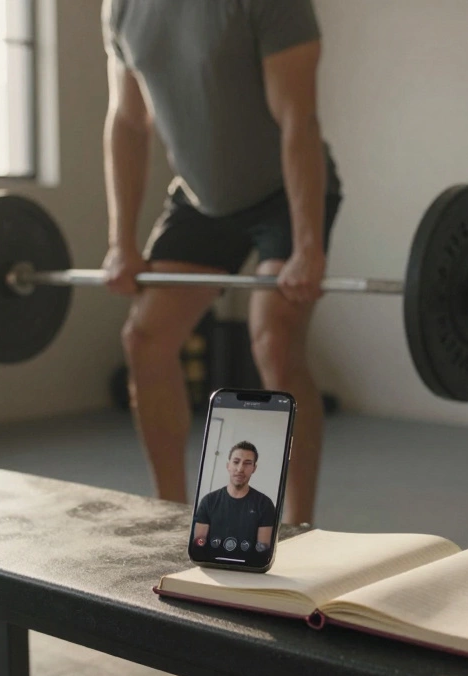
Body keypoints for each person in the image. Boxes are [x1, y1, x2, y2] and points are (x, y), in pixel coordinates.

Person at [101, 0, 342, 525]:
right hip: (201, 199)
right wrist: (122, 241)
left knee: (274, 340)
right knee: (145, 338)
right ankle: (168, 516)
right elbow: (128, 120)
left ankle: (301, 525)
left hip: (284, 192)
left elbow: (297, 119)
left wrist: (307, 246)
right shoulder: (121, 8)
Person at [192, 442, 277, 552]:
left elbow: (263, 550)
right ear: (228, 465)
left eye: (247, 463)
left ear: (254, 468)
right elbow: (198, 545)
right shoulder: (208, 501)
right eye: (236, 462)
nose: (240, 469)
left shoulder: (265, 504)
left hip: (248, 567)